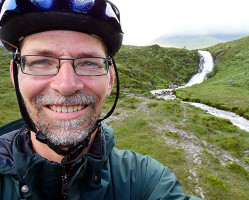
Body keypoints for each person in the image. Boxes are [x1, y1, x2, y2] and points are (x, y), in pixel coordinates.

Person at [0, 0, 201, 199]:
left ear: (110, 79)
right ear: (15, 76)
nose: (66, 86)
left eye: (89, 62)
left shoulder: (147, 181)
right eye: (41, 62)